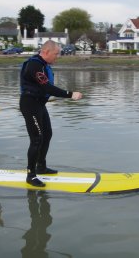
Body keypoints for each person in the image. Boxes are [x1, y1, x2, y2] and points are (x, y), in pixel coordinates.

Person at [20, 40, 83, 187]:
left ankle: (41, 166)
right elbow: (47, 87)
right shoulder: (34, 65)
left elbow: (44, 89)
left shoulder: (43, 65)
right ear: (46, 52)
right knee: (37, 139)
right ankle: (31, 174)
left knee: (47, 135)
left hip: (39, 104)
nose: (57, 57)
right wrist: (70, 94)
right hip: (30, 105)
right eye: (56, 54)